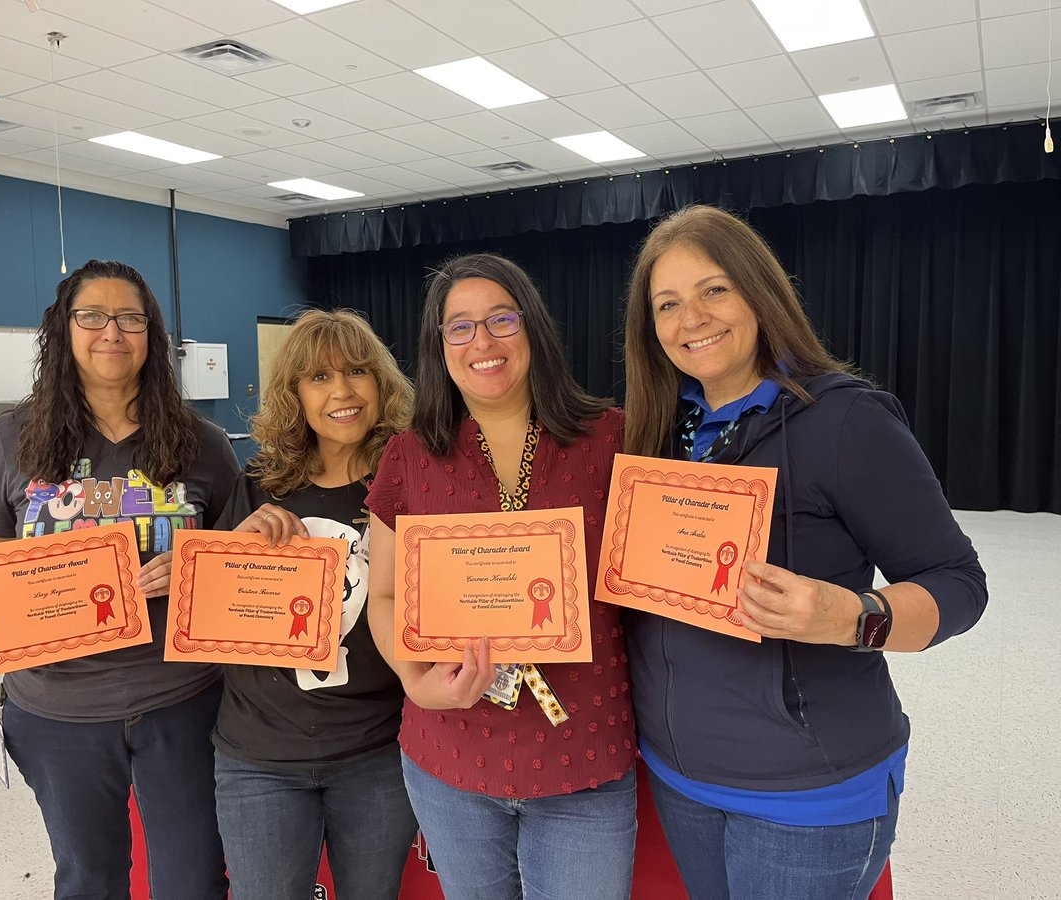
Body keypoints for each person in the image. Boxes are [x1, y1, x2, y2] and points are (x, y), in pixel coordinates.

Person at [620, 205, 989, 899]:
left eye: (714, 290)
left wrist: (855, 617)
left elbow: (960, 583)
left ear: (760, 291)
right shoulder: (655, 431)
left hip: (805, 797)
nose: (691, 317)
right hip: (678, 778)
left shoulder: (847, 419)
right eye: (667, 304)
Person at [0, 259, 239, 900]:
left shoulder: (203, 441)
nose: (112, 332)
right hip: (56, 711)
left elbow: (235, 562)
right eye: (92, 316)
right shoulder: (14, 437)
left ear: (153, 333)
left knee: (194, 880)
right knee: (89, 879)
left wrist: (196, 571)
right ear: (63, 330)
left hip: (184, 702)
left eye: (131, 318)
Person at [366, 254, 638, 900]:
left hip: (584, 753)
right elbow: (384, 594)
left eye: (500, 319)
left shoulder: (611, 438)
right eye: (458, 327)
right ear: (439, 346)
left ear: (533, 327)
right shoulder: (410, 456)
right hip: (450, 754)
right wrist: (417, 682)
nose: (481, 342)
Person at [210, 309, 419, 900]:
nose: (343, 391)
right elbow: (212, 617)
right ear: (294, 395)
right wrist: (237, 549)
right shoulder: (258, 484)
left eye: (357, 371)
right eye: (319, 378)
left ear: (382, 383)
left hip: (377, 751)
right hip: (260, 754)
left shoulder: (412, 482)